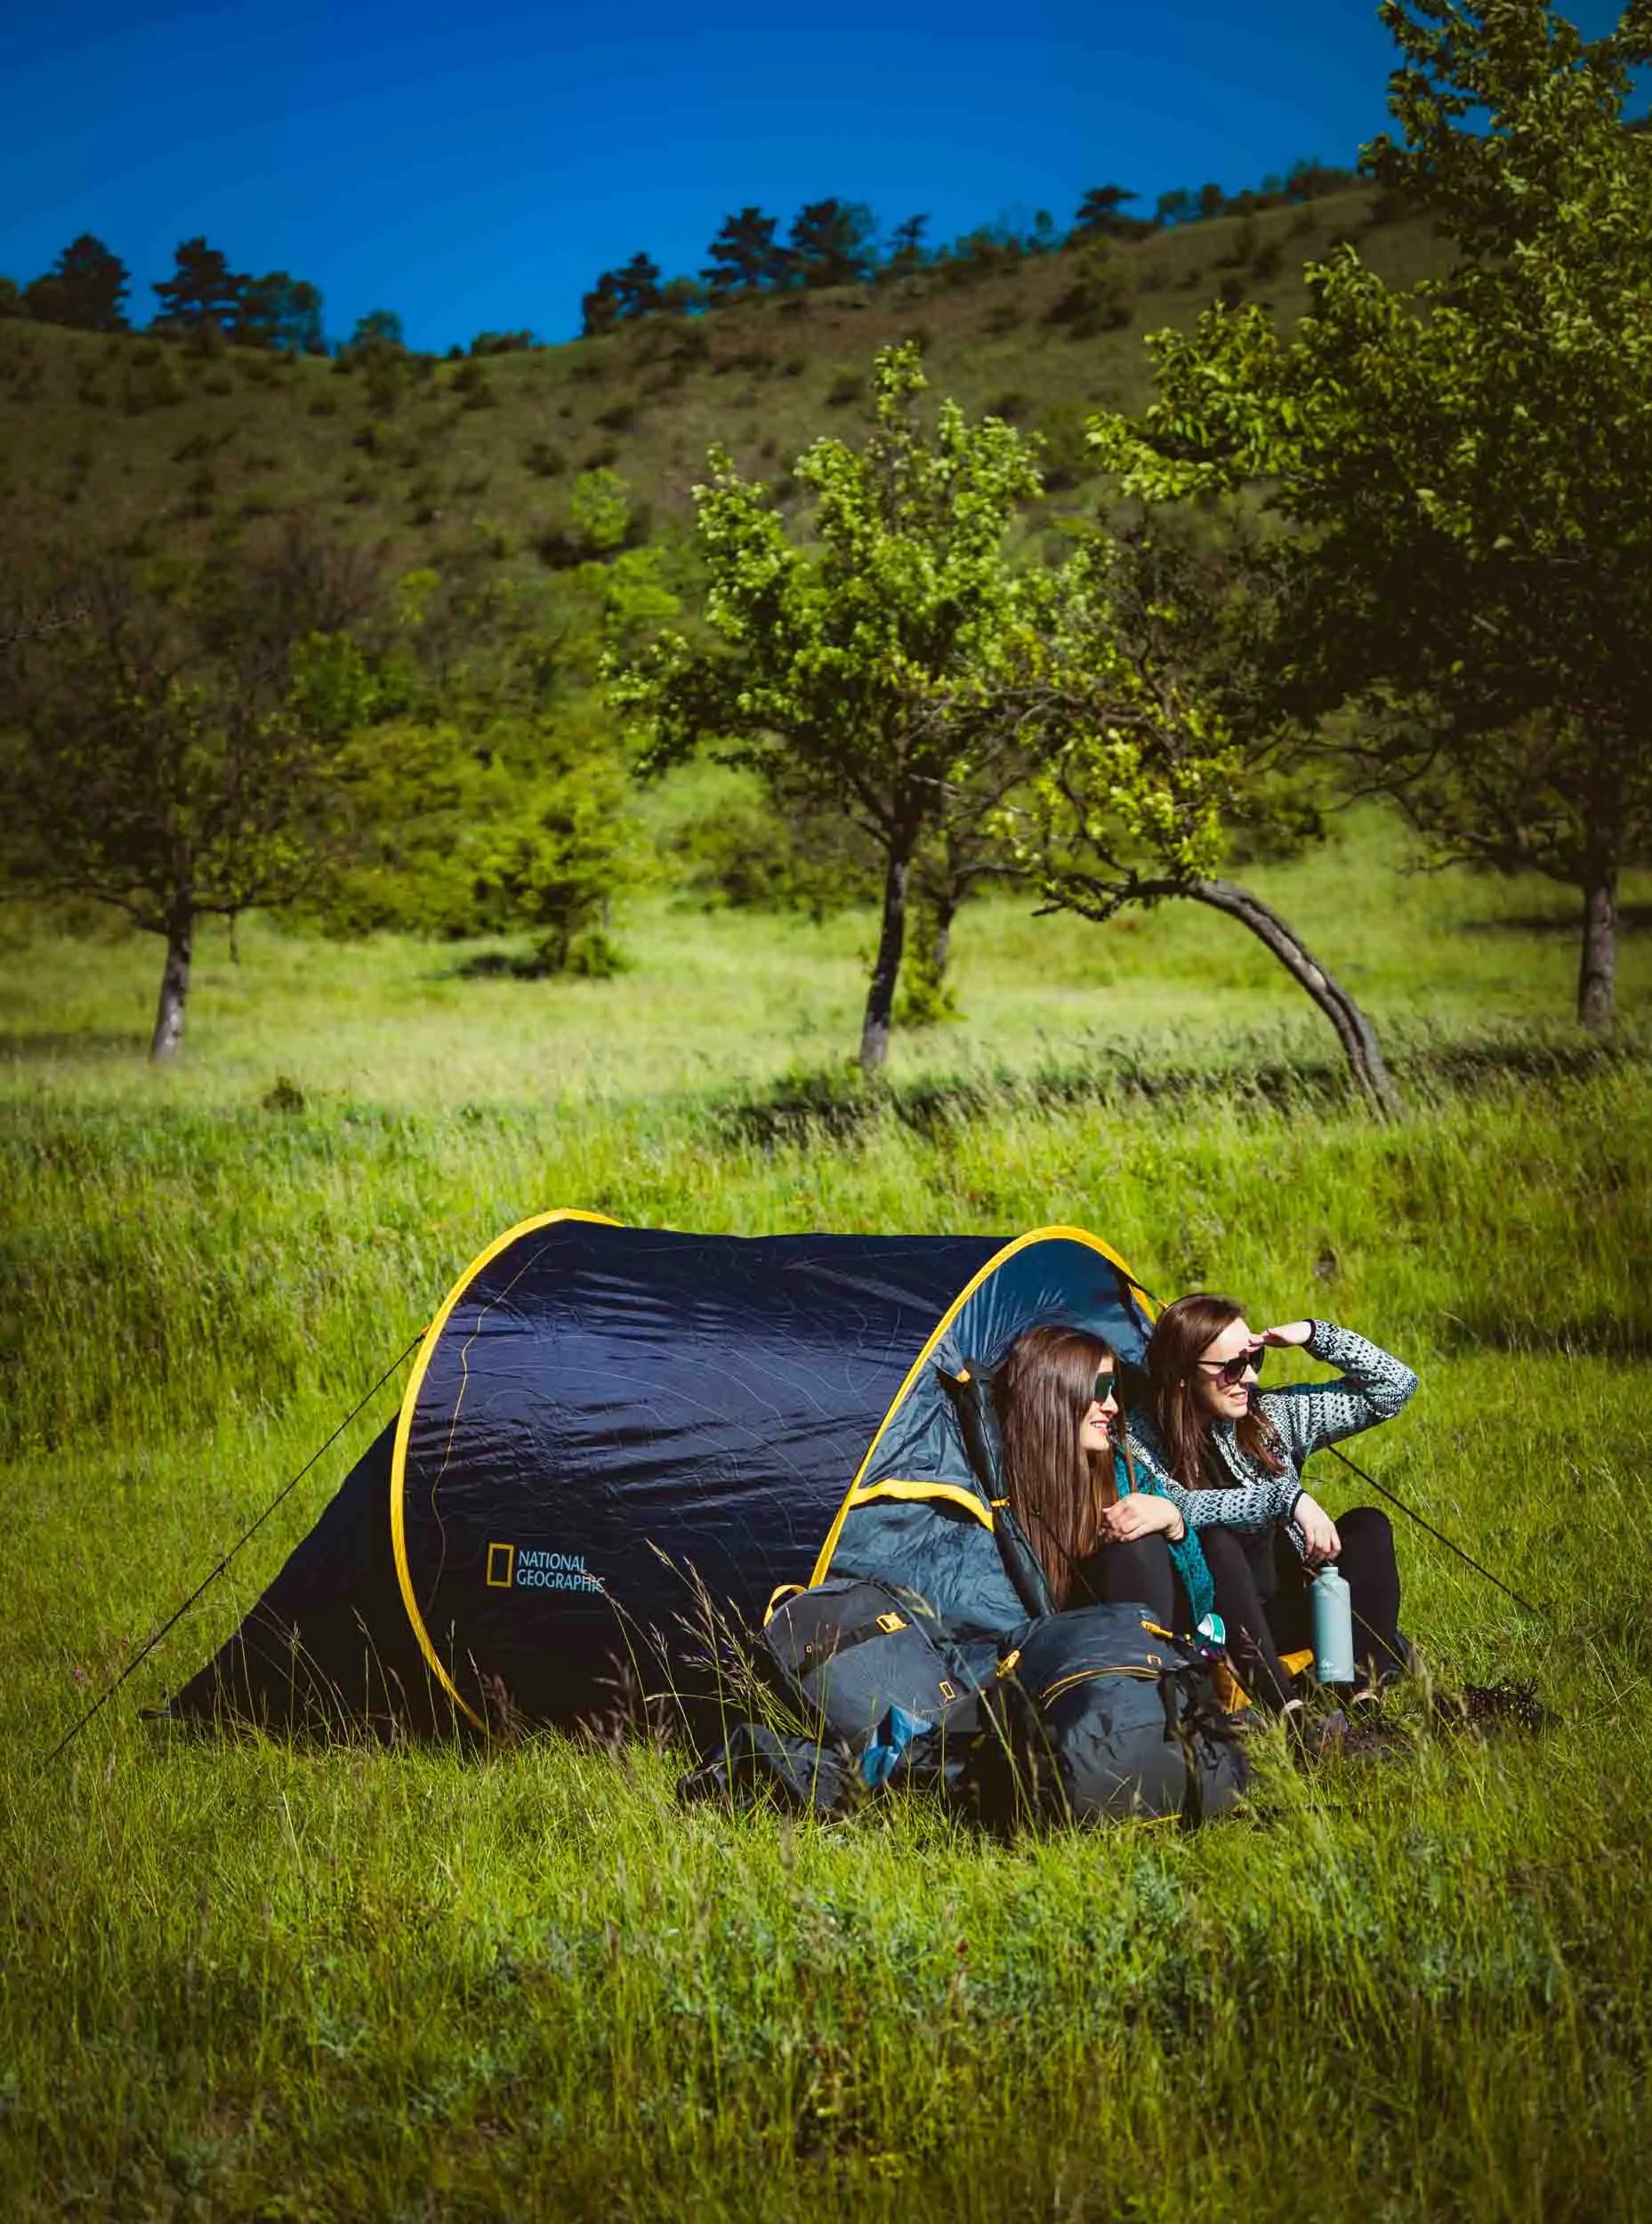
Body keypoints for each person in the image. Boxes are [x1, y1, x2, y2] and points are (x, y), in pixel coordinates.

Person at [1126, 1295, 1418, 1712]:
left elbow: (1394, 1389)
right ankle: (1288, 1711)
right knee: (1217, 1543)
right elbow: (1182, 1506)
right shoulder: (1139, 1440)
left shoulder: (1270, 1417)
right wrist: (1287, 1498)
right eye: (1232, 1368)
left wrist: (1315, 1335)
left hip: (1293, 1606)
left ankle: (1362, 1695)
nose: (1249, 1378)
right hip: (1218, 1624)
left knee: (1368, 1525)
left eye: (1254, 1359)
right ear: (1181, 1375)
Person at [992, 1323, 1221, 1635]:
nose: (1112, 1405)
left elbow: (1204, 1609)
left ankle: (1152, 1677)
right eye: (1101, 1389)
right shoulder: (1000, 1487)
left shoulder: (1125, 1472)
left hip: (1147, 1646)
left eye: (1113, 1390)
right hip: (1059, 1656)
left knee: (1142, 1543)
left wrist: (1175, 1526)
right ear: (1058, 1392)